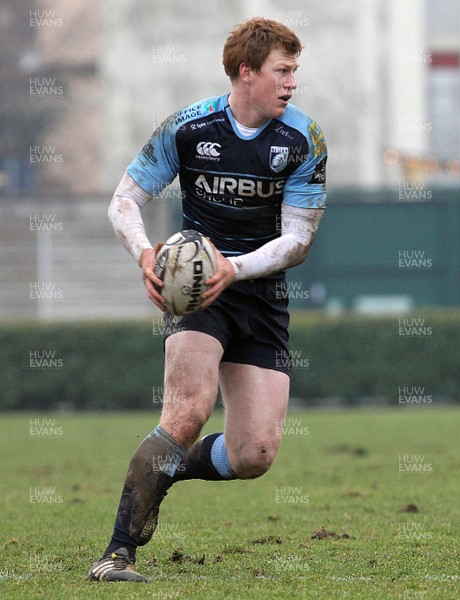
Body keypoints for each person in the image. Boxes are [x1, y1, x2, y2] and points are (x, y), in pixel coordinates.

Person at [88, 17, 327, 582]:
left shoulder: (303, 140)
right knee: (188, 412)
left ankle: (165, 468)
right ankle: (117, 554)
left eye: (295, 71)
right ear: (247, 72)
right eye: (282, 71)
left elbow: (298, 239)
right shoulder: (189, 128)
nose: (292, 82)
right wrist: (147, 256)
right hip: (197, 294)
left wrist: (234, 268)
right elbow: (124, 200)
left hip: (258, 291)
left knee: (255, 455)